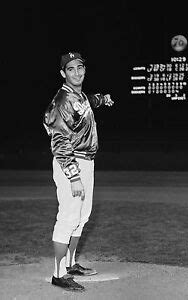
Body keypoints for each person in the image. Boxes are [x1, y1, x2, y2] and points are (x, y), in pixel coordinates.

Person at [43, 51, 114, 291]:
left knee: (82, 216)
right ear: (63, 73)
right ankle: (58, 274)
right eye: (70, 69)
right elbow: (60, 142)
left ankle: (71, 264)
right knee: (68, 218)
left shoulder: (78, 96)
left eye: (80, 67)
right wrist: (73, 176)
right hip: (71, 163)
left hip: (86, 162)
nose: (77, 72)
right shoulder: (62, 101)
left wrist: (102, 99)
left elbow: (86, 103)